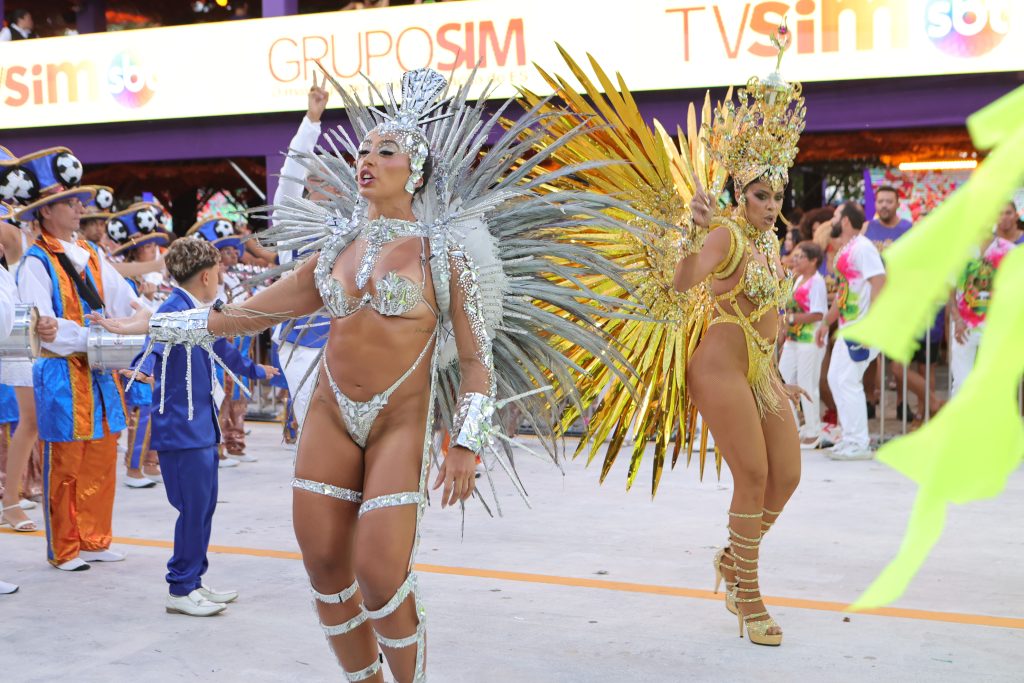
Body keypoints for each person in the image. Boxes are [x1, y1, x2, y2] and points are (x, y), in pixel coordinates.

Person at [96, 66, 634, 681]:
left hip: (398, 420)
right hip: (330, 415)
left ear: (419, 171)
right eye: (362, 150)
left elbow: (478, 359)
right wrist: (148, 327)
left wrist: (466, 443)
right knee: (325, 566)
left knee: (380, 575)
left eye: (387, 151)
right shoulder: (333, 252)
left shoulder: (445, 254)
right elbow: (241, 315)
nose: (367, 160)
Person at [673, 28, 805, 646]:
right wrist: (693, 234)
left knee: (788, 477)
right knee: (751, 475)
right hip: (720, 365)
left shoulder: (771, 242)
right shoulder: (725, 232)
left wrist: (778, 375)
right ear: (738, 193)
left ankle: (732, 560)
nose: (769, 202)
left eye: (776, 193)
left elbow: (772, 319)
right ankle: (747, 598)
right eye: (759, 192)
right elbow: (682, 284)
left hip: (761, 368)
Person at [131, 237, 277, 616]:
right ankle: (179, 588)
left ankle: (193, 580)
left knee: (204, 506)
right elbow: (154, 344)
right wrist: (141, 369)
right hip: (181, 427)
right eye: (221, 270)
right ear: (208, 275)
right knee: (193, 508)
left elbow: (224, 348)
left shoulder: (199, 309)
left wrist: (253, 369)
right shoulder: (173, 309)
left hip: (200, 423)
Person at [15, 174, 148, 571]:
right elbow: (45, 327)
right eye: (70, 202)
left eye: (78, 202)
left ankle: (94, 537)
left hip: (100, 369)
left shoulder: (92, 252)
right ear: (47, 212)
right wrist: (95, 331)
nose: (79, 209)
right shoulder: (36, 261)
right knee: (67, 461)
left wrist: (139, 312)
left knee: (103, 454)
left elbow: (125, 298)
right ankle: (65, 548)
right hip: (63, 374)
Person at [273, 75, 331, 428]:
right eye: (322, 180)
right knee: (313, 429)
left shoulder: (352, 225)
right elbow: (289, 174)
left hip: (348, 343)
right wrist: (311, 122)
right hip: (301, 343)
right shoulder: (290, 220)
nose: (330, 188)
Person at [106, 202, 173, 486]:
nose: (153, 250)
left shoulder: (153, 279)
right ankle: (133, 468)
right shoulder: (122, 277)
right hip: (131, 353)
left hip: (152, 351)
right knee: (140, 408)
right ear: (133, 250)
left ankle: (147, 461)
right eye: (146, 246)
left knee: (152, 407)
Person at [815, 202, 887, 459]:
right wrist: (826, 321)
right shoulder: (849, 249)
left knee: (846, 380)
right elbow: (844, 294)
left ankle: (858, 442)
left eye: (835, 215)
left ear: (845, 221)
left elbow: (879, 281)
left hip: (862, 327)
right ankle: (850, 437)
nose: (832, 219)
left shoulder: (863, 247)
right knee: (837, 378)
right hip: (848, 327)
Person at [188, 217, 259, 464]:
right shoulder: (210, 280)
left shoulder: (235, 279)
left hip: (240, 346)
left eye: (232, 251)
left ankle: (236, 443)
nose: (230, 256)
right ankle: (217, 449)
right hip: (219, 347)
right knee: (218, 395)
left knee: (237, 397)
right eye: (224, 251)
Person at [949, 228, 1016, 395]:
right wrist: (957, 319)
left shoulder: (1008, 250)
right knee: (961, 384)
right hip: (963, 327)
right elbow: (948, 289)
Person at [779, 241, 828, 447]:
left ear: (813, 261)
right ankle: (792, 427)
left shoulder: (817, 282)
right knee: (782, 382)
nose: (796, 260)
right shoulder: (798, 279)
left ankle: (813, 430)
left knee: (808, 384)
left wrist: (790, 320)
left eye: (801, 257)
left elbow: (818, 313)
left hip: (810, 340)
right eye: (795, 256)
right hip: (793, 340)